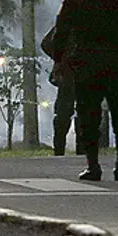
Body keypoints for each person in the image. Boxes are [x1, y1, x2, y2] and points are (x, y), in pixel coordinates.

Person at [50, 0, 118, 181]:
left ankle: (93, 165)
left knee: (88, 116)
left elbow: (62, 31)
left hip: (88, 63)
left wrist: (59, 61)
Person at [42, 26, 84, 156]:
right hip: (70, 74)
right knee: (64, 113)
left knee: (82, 112)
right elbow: (46, 44)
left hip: (82, 73)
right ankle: (60, 149)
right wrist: (61, 58)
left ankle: (78, 150)